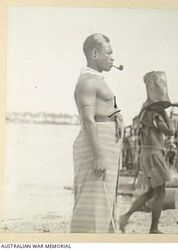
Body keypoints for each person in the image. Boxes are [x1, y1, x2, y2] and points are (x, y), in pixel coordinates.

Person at [70, 33, 123, 233]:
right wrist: (98, 155)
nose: (112, 57)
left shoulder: (99, 80)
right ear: (94, 53)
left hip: (107, 142)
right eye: (108, 53)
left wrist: (118, 115)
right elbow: (88, 120)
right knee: (93, 199)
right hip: (97, 144)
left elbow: (108, 106)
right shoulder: (87, 82)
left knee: (105, 199)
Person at [119, 71, 175, 234]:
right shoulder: (154, 113)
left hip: (148, 153)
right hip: (153, 154)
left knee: (152, 191)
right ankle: (153, 228)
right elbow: (170, 131)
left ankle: (126, 216)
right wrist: (165, 112)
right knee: (160, 191)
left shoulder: (145, 110)